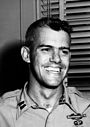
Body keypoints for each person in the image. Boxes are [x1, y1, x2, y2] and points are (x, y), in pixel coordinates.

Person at [0, 17, 90, 127]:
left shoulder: (87, 109)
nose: (57, 59)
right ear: (26, 55)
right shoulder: (3, 113)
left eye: (64, 51)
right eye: (46, 49)